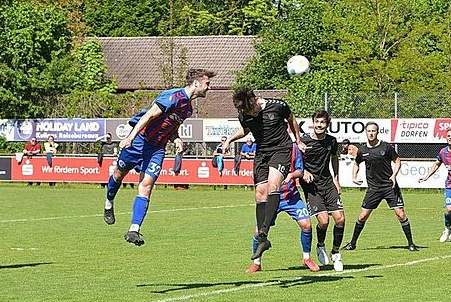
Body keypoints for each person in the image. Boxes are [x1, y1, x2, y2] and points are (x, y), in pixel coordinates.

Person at [103, 68, 215, 245]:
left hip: (156, 149)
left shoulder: (188, 110)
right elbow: (149, 116)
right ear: (196, 83)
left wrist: (176, 138)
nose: (209, 88)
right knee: (119, 174)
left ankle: (134, 230)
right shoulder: (173, 96)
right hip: (139, 141)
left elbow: (171, 128)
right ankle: (109, 202)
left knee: (146, 186)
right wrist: (130, 137)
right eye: (207, 83)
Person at [223, 86, 306, 260]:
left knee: (273, 185)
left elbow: (292, 119)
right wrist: (230, 139)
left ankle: (263, 232)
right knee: (260, 193)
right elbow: (246, 130)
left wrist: (298, 140)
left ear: (255, 99)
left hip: (281, 150)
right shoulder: (244, 114)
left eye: (250, 109)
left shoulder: (278, 106)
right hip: (262, 152)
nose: (249, 113)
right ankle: (263, 240)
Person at [343, 121, 418, 251]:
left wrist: (394, 175)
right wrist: (354, 177)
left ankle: (411, 244)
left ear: (377, 132)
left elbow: (397, 160)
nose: (371, 133)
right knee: (362, 216)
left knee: (401, 214)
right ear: (366, 132)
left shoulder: (386, 147)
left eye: (373, 131)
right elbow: (356, 163)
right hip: (373, 189)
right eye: (369, 131)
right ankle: (352, 243)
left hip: (389, 187)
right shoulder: (362, 150)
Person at [247, 144, 320, 273]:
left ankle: (307, 259)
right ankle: (256, 263)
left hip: (291, 197)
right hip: (270, 199)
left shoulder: (293, 149)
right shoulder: (264, 147)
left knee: (307, 225)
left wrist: (291, 175)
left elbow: (300, 170)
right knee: (259, 231)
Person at [300, 109, 346, 270]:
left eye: (323, 122)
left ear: (327, 125)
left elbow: (334, 158)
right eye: (317, 122)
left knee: (340, 219)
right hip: (312, 187)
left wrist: (336, 179)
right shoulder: (303, 142)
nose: (319, 125)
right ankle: (320, 245)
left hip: (328, 184)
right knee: (324, 221)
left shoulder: (332, 141)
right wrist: (304, 172)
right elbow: (296, 161)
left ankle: (336, 253)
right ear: (312, 123)